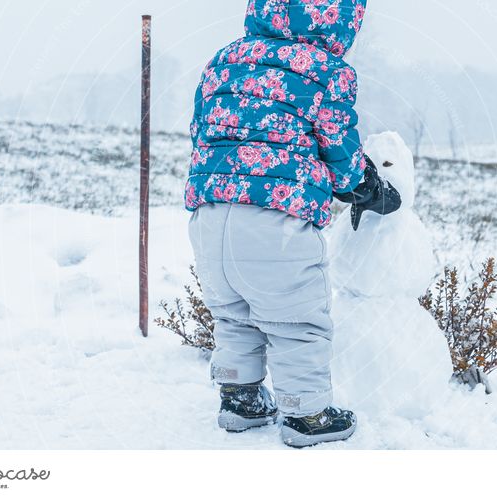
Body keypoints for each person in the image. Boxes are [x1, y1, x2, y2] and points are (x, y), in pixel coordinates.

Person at [185, 0, 400, 448]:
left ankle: (239, 398)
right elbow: (338, 144)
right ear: (340, 20)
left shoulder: (224, 60)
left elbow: (199, 129)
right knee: (296, 321)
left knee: (233, 313)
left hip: (207, 214)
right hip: (275, 219)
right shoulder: (324, 71)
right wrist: (363, 185)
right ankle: (308, 415)